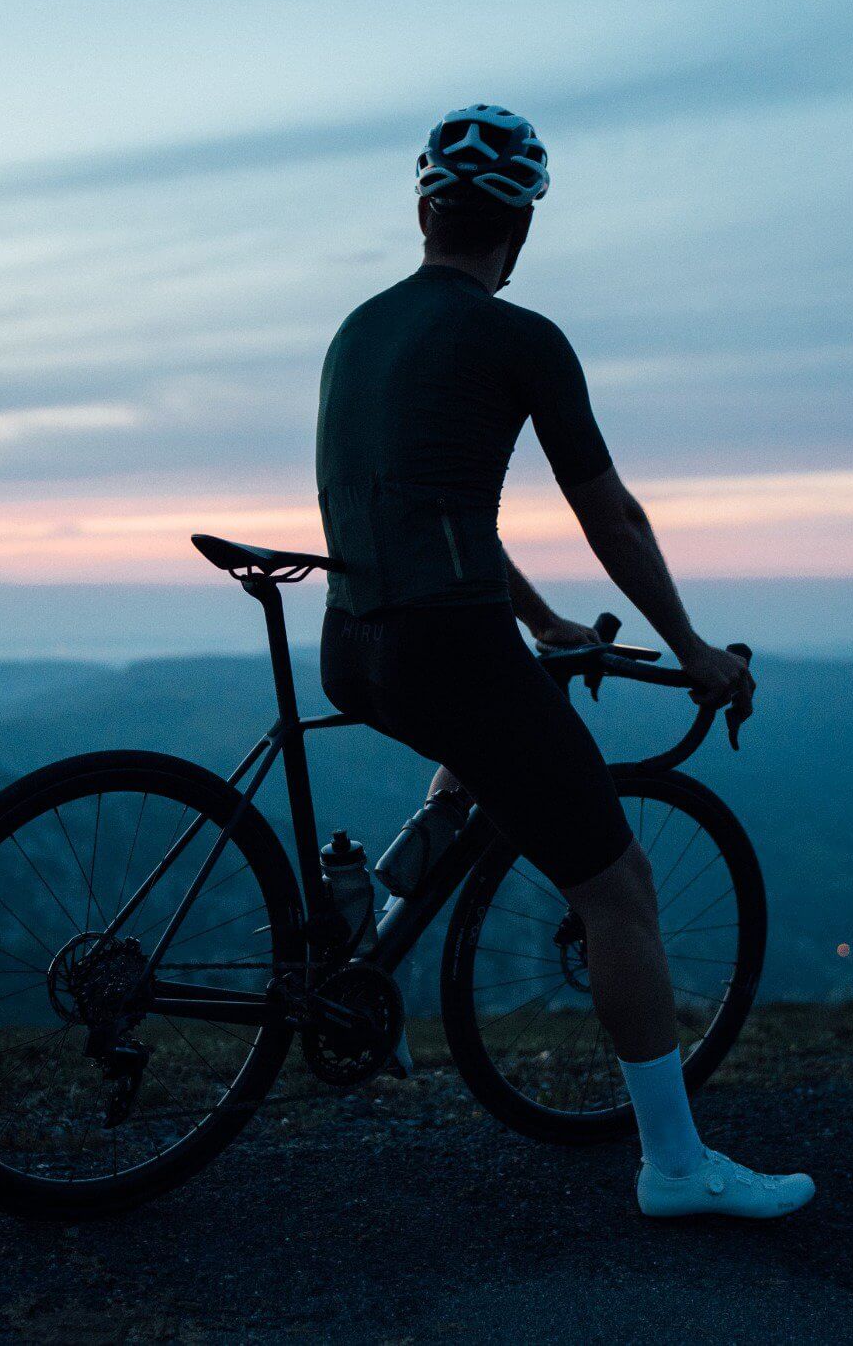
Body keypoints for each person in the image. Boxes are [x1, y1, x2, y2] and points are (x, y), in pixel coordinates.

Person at [316, 104, 815, 1219]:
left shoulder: (358, 329)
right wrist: (687, 646)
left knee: (484, 747)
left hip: (353, 644)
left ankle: (367, 910)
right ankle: (677, 1169)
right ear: (520, 229)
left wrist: (541, 623)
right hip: (449, 643)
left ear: (421, 212)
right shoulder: (520, 338)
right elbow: (610, 516)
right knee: (618, 886)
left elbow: (435, 510)